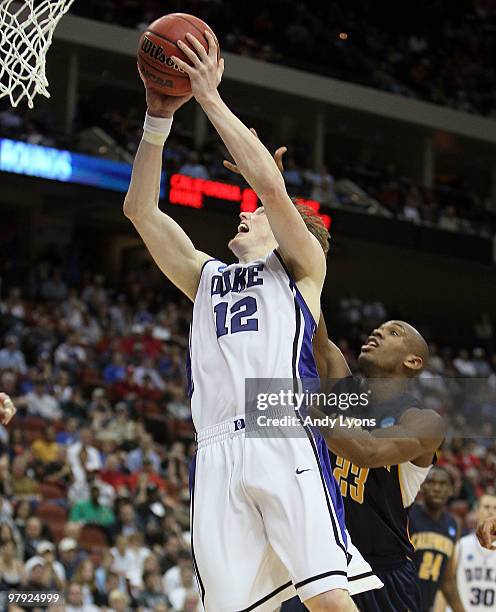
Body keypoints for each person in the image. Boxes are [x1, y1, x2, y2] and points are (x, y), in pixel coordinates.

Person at [124, 31, 379, 612]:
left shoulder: (302, 266)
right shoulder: (205, 276)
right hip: (214, 448)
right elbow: (139, 209)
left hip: (279, 429)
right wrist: (158, 118)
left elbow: (268, 183)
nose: (246, 211)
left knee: (329, 600)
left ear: (295, 229)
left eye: (259, 213)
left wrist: (210, 98)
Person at [310, 315, 445, 611]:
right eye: (378, 329)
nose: (377, 332)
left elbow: (368, 451)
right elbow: (312, 319)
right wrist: (300, 271)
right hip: (319, 565)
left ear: (413, 362)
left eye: (393, 332)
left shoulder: (424, 421)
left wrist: (299, 409)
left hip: (382, 574)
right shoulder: (339, 383)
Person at [409, 467, 464, 611]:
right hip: (400, 603)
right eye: (431, 482)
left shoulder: (453, 524)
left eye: (443, 484)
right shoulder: (408, 514)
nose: (437, 488)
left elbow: (446, 579)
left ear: (451, 490)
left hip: (426, 607)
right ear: (422, 486)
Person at [454, 494, 496, 611]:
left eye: (495, 508)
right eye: (486, 507)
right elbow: (446, 584)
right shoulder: (461, 545)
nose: (491, 512)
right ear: (477, 511)